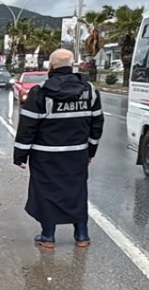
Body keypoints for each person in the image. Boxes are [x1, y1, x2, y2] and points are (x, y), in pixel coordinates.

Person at [13, 49, 103, 248]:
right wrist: (91, 152)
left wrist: (21, 155)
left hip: (46, 155)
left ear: (51, 67)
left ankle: (48, 236)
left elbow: (28, 126)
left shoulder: (41, 92)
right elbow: (97, 125)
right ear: (72, 66)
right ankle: (82, 235)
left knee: (46, 193)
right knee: (77, 192)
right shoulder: (89, 91)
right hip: (77, 154)